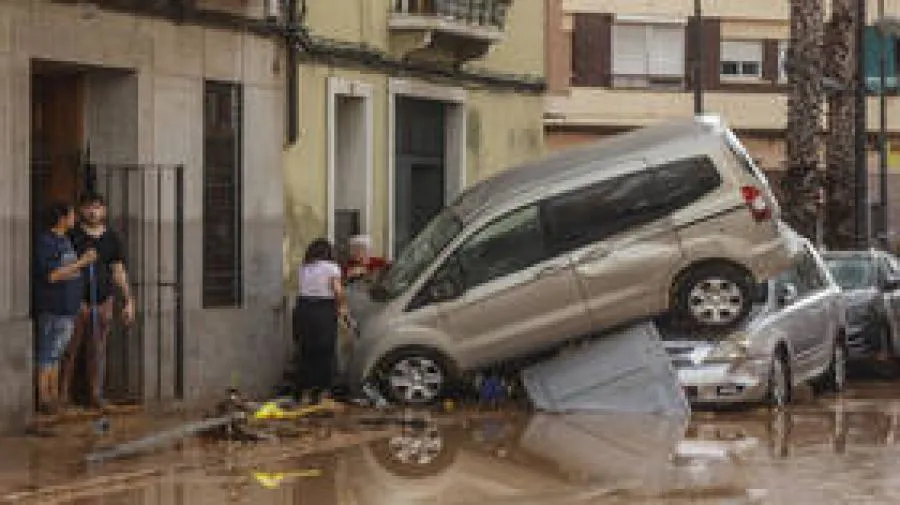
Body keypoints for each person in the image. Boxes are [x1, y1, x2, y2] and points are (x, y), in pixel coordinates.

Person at [61, 192, 135, 409]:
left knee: (98, 348)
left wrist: (129, 299)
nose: (93, 212)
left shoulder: (112, 237)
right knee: (69, 349)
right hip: (77, 301)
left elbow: (118, 269)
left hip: (104, 301)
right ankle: (63, 396)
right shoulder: (72, 235)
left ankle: (95, 394)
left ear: (104, 210)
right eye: (89, 207)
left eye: (98, 207)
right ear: (81, 210)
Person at [34, 202, 96, 414]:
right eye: (70, 215)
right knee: (48, 354)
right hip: (53, 307)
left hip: (68, 309)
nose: (74, 218)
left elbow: (71, 275)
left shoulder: (65, 240)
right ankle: (44, 398)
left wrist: (78, 301)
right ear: (61, 218)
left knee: (57, 353)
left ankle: (54, 397)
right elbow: (52, 275)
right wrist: (82, 263)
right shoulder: (46, 242)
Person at [294, 238, 347, 404]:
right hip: (323, 310)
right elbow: (337, 290)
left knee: (306, 351)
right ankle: (323, 392)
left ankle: (304, 392)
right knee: (325, 352)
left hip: (303, 310)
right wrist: (342, 307)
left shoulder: (304, 268)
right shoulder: (331, 267)